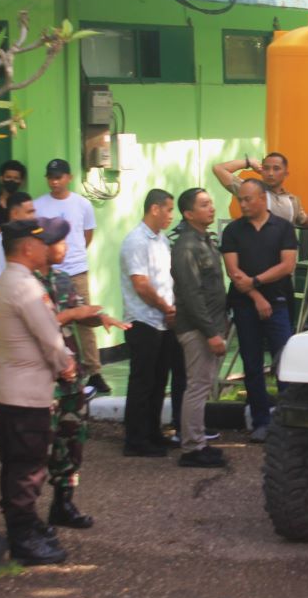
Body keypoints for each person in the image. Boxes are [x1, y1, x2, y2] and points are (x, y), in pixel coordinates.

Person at [0, 218, 75, 565]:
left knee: (22, 464)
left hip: (17, 389)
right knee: (26, 468)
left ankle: (27, 526)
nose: (47, 249)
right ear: (27, 247)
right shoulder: (24, 286)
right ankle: (23, 538)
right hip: (24, 393)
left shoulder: (10, 281)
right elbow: (50, 337)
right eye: (42, 243)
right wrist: (66, 365)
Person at [41, 217, 127, 528]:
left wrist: (99, 317)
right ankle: (24, 515)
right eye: (59, 242)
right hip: (42, 377)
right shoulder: (26, 284)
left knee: (72, 439)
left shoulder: (62, 280)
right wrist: (75, 314)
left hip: (69, 377)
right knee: (38, 446)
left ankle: (63, 504)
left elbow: (80, 314)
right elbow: (43, 322)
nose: (65, 248)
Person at [221, 179, 298, 443]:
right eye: (240, 199)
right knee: (252, 364)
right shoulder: (232, 231)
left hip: (277, 303)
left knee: (285, 363)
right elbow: (234, 272)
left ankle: (288, 421)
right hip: (245, 306)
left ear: (262, 199)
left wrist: (256, 282)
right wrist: (255, 296)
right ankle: (261, 421)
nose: (242, 204)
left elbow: (287, 266)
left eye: (247, 199)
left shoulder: (283, 228)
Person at [34, 159, 110, 396]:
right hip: (47, 274)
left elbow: (87, 235)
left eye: (59, 177)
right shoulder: (38, 206)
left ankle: (94, 371)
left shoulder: (82, 204)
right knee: (48, 319)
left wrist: (72, 255)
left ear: (69, 177)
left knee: (85, 319)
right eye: (51, 177)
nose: (55, 182)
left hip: (76, 270)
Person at [170, 188, 229, 468]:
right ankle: (192, 448)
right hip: (198, 329)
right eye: (204, 205)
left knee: (202, 385)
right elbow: (192, 295)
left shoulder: (205, 241)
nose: (211, 208)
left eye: (211, 203)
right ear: (189, 213)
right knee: (197, 386)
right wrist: (211, 333)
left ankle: (199, 442)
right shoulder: (186, 247)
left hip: (212, 325)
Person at [120, 189, 178, 457]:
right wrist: (165, 307)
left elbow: (164, 278)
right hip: (143, 320)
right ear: (154, 209)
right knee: (142, 382)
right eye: (168, 209)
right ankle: (135, 439)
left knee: (158, 381)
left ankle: (153, 432)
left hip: (163, 320)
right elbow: (141, 285)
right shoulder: (136, 241)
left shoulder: (161, 240)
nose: (170, 215)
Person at [212, 152, 308, 229]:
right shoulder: (250, 191)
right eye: (266, 168)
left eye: (276, 169)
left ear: (286, 173)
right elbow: (219, 169)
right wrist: (248, 162)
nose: (270, 173)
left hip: (282, 264)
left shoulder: (292, 200)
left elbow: (303, 219)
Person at [0, 191, 35, 285]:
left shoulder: (32, 238)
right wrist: (1, 293)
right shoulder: (1, 241)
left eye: (33, 211)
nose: (33, 217)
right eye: (29, 212)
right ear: (15, 214)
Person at [0, 159, 27, 230]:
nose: (12, 181)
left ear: (21, 182)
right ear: (1, 179)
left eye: (16, 178)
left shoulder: (24, 205)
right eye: (8, 177)